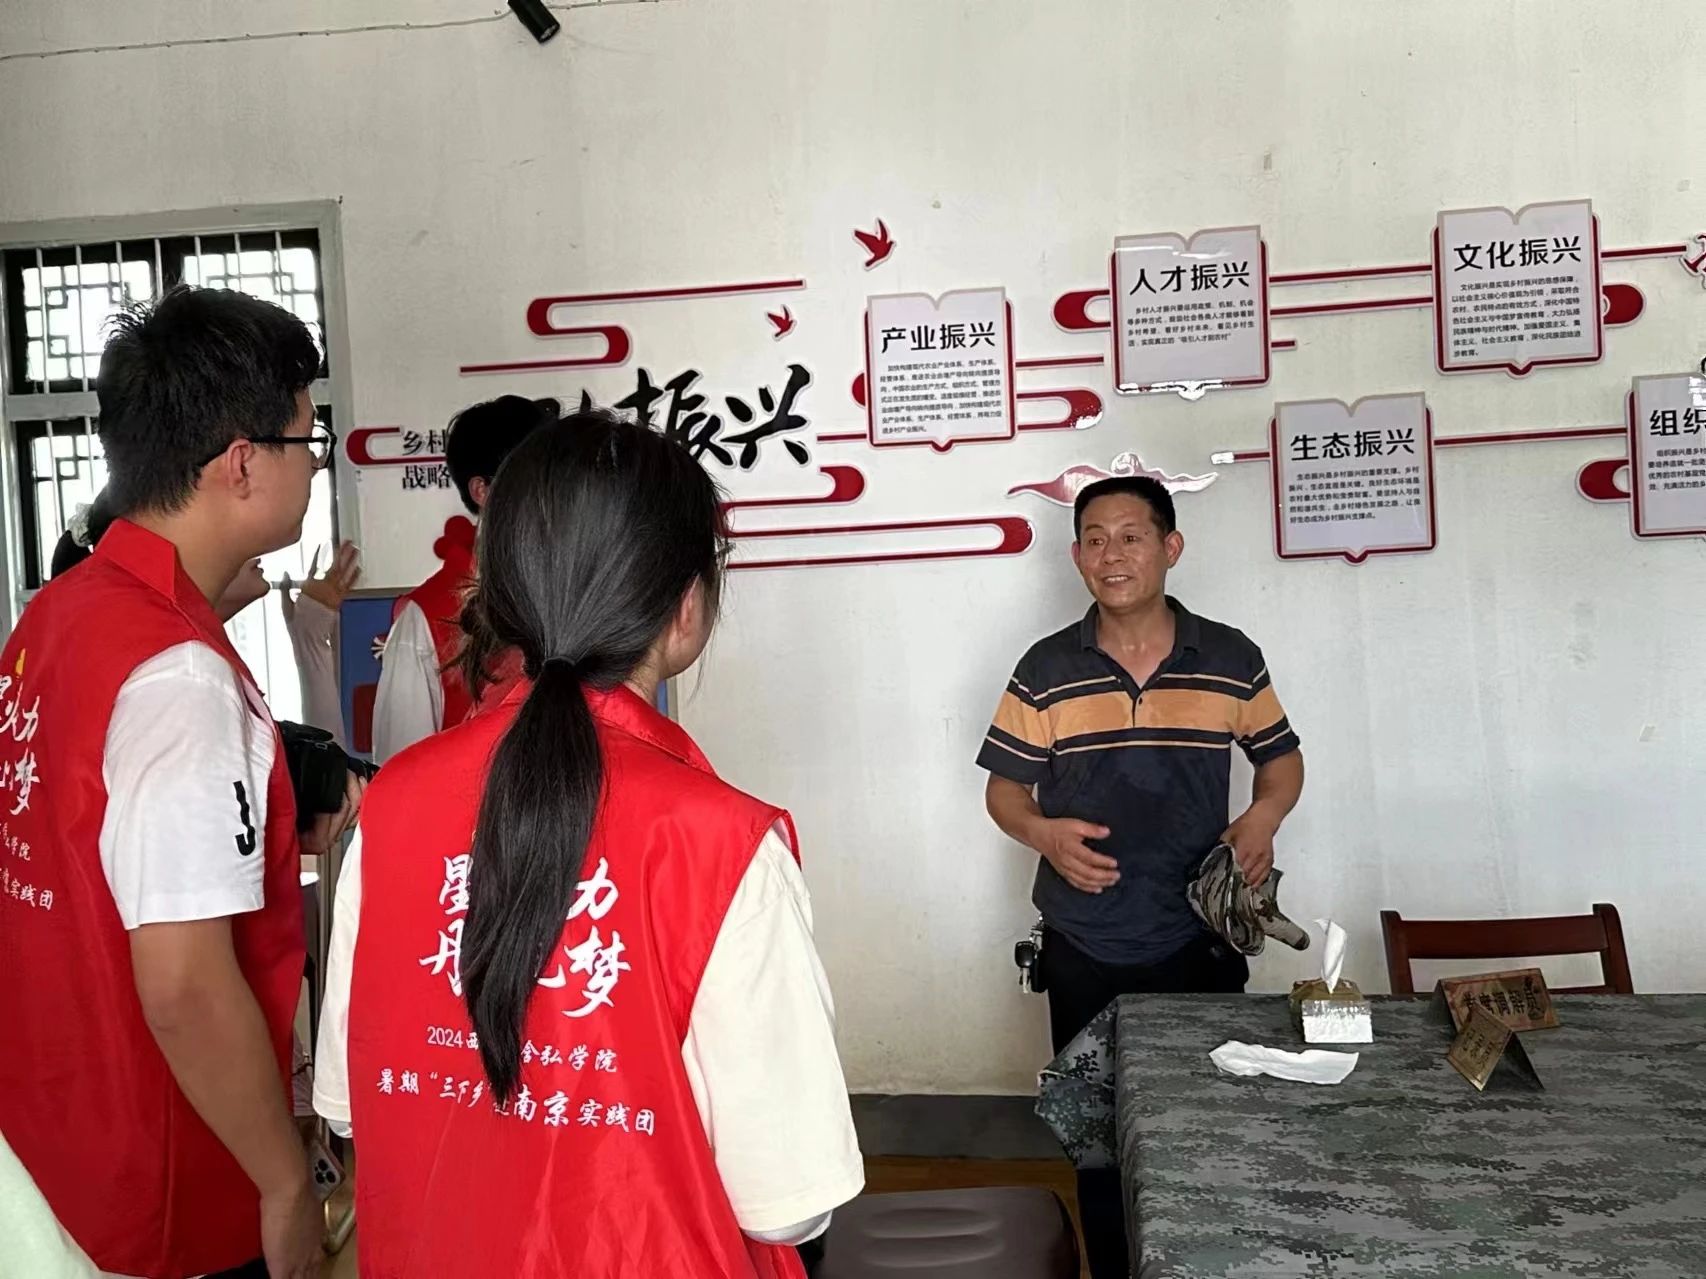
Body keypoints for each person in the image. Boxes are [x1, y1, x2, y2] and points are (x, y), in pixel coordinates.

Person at [314, 410, 863, 1277]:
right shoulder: (723, 844)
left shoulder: (392, 808)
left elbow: (349, 1105)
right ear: (687, 607)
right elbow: (789, 1202)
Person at [0, 286, 361, 1279]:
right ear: (242, 462)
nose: (313, 461)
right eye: (306, 438)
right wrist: (284, 1183)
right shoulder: (179, 676)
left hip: (52, 1145)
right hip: (163, 1185)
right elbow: (184, 984)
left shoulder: (57, 616)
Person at [977, 475, 1304, 1279]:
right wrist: (1042, 832)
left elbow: (1281, 762)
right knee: (1098, 1139)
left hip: (1200, 938)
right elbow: (1004, 792)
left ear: (1170, 547)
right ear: (1076, 556)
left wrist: (1262, 817)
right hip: (1084, 943)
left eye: (1130, 535)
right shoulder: (1045, 667)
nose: (1111, 554)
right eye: (1094, 538)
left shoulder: (1228, 656)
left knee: (1207, 1127)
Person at [369, 395, 560, 762]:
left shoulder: (580, 595)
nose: (554, 494)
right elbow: (402, 773)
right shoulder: (426, 617)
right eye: (536, 477)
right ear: (482, 491)